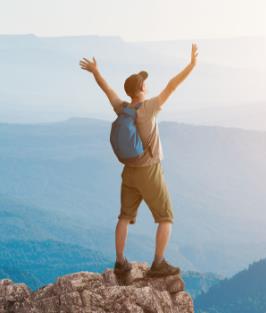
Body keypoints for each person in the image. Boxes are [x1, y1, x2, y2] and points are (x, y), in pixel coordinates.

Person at [79, 43, 198, 277]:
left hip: (129, 172)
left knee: (124, 217)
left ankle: (120, 262)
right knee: (166, 217)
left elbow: (108, 91)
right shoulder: (150, 107)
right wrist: (191, 65)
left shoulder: (122, 108)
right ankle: (158, 263)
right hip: (149, 171)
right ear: (142, 87)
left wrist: (96, 72)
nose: (147, 83)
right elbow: (172, 86)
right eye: (145, 81)